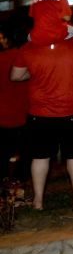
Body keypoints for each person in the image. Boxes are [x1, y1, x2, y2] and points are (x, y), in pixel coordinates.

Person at [10, 35, 73, 210]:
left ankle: (38, 201)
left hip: (39, 113)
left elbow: (16, 76)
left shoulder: (29, 47)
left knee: (40, 157)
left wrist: (36, 71)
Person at [0, 25, 30, 181]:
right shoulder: (27, 56)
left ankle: (4, 186)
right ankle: (19, 186)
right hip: (25, 113)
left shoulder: (2, 58)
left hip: (3, 115)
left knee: (3, 154)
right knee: (24, 153)